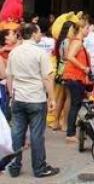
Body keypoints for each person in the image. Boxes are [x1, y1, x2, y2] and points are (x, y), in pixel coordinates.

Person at [6, 23, 59, 178]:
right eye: (39, 31)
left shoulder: (14, 53)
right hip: (36, 98)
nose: (40, 34)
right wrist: (52, 98)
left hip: (18, 97)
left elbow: (10, 76)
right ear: (34, 34)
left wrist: (11, 95)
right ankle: (39, 168)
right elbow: (47, 77)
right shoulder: (40, 53)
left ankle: (15, 166)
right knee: (36, 135)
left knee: (16, 133)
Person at [63, 19, 91, 143]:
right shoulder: (77, 42)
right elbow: (70, 56)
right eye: (87, 28)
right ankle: (70, 133)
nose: (88, 31)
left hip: (76, 77)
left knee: (76, 104)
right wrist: (83, 67)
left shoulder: (78, 42)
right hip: (74, 76)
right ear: (81, 29)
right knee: (75, 104)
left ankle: (71, 131)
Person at [51, 20, 73, 131]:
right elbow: (67, 57)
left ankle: (56, 122)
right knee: (66, 97)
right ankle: (63, 123)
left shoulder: (60, 40)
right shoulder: (67, 41)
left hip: (60, 69)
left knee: (61, 97)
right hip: (66, 69)